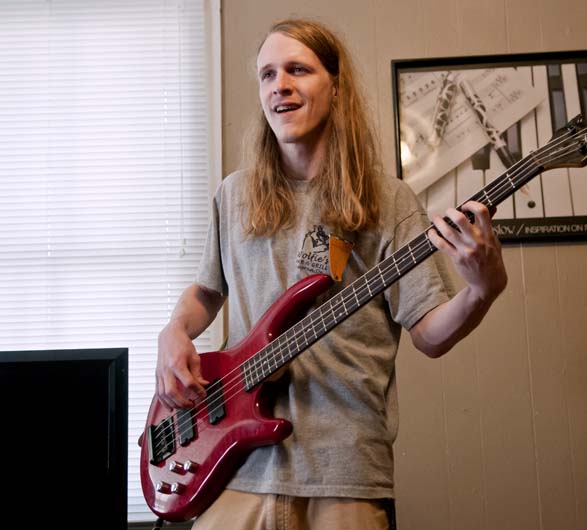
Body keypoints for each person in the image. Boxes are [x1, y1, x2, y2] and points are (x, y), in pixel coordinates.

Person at [154, 17, 507, 530]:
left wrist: (483, 288)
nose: (281, 86)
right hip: (235, 468)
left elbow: (430, 334)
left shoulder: (388, 201)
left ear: (335, 86)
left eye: (298, 69)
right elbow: (207, 291)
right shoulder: (234, 195)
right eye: (268, 74)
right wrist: (173, 331)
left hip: (344, 474)